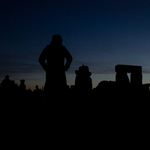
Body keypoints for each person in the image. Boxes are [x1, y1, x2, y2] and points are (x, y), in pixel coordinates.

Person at [39, 34, 72, 110]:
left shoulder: (52, 48)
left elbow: (70, 58)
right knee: (54, 92)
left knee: (57, 92)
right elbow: (41, 59)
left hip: (55, 72)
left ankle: (55, 108)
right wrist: (65, 67)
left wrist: (46, 68)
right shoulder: (55, 48)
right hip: (55, 72)